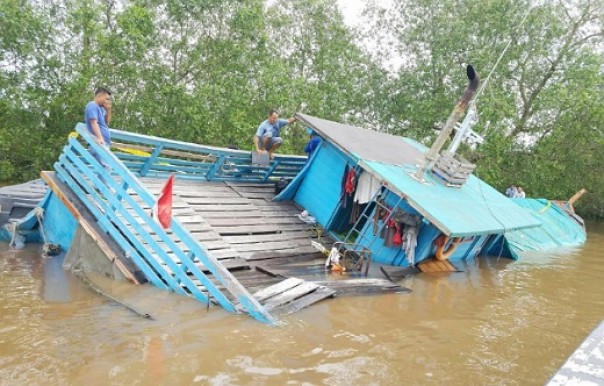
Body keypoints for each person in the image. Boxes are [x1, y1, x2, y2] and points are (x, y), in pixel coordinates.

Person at [85, 87, 113, 185]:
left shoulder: (101, 109)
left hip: (104, 143)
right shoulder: (92, 105)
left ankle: (99, 187)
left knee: (106, 165)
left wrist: (108, 110)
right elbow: (93, 122)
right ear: (99, 95)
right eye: (106, 98)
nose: (108, 101)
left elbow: (106, 123)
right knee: (107, 165)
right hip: (98, 143)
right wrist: (100, 137)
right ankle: (101, 188)